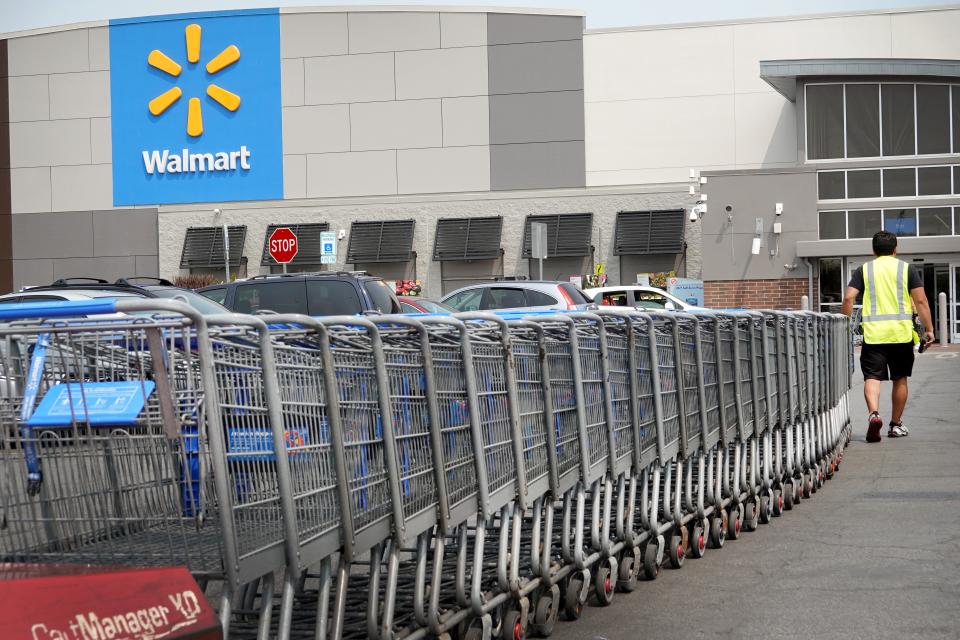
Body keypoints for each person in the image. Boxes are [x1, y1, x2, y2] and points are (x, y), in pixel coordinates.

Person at [842, 231, 934, 443]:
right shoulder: (906, 268)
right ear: (895, 249)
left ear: (873, 250)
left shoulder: (864, 269)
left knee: (872, 377)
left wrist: (844, 323)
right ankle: (895, 425)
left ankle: (874, 414)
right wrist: (929, 329)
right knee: (900, 378)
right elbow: (920, 301)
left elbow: (848, 297)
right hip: (901, 335)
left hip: (874, 335)